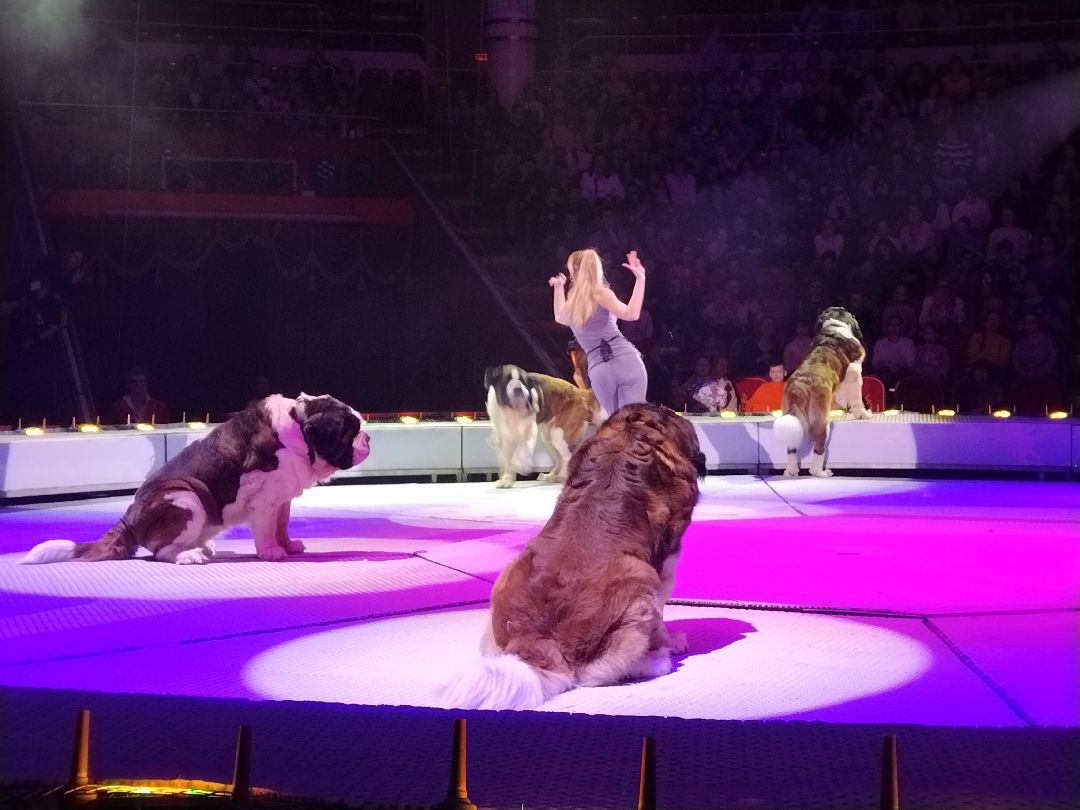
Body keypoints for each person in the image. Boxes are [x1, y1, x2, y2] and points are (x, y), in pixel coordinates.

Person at [549, 248, 647, 415]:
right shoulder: (602, 293)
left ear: (573, 272)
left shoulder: (572, 305)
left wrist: (559, 288)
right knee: (633, 422)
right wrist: (640, 279)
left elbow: (559, 317)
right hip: (626, 360)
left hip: (599, 369)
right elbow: (632, 314)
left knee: (616, 425)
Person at [106, 367, 171, 425]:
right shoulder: (118, 407)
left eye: (142, 381)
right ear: (129, 385)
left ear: (147, 384)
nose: (138, 384)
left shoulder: (159, 407)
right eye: (135, 381)